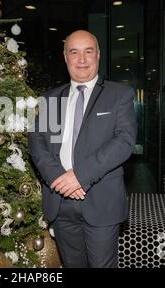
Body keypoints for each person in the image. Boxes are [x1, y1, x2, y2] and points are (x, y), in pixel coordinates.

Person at [28, 30, 137, 268]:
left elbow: (124, 141)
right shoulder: (51, 98)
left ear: (98, 55)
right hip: (60, 200)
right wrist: (58, 177)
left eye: (88, 51)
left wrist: (79, 176)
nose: (82, 59)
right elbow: (36, 140)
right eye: (74, 52)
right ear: (65, 57)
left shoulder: (120, 95)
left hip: (101, 201)